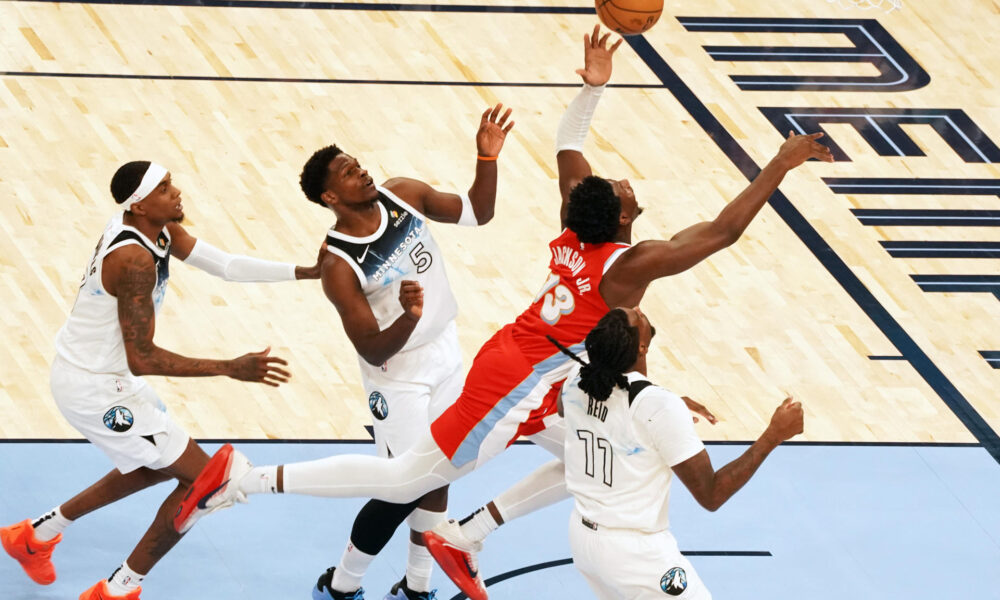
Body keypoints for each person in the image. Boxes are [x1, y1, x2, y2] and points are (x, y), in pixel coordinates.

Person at [173, 25, 832, 600]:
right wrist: (778, 162)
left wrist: (595, 86)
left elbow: (568, 141)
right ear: (624, 219)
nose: (627, 183)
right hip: (516, 379)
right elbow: (721, 233)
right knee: (407, 478)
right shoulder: (625, 267)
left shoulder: (578, 217)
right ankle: (245, 479)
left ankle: (468, 535)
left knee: (590, 461)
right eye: (626, 188)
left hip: (545, 367)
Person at [0, 161, 322, 600]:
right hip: (95, 388)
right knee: (205, 482)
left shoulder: (157, 230)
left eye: (172, 184)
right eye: (164, 188)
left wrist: (305, 271)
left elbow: (224, 265)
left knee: (155, 468)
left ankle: (35, 536)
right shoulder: (134, 259)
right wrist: (230, 367)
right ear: (139, 204)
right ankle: (117, 590)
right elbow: (143, 357)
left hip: (101, 375)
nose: (176, 193)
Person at [297, 103, 514, 600]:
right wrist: (409, 318)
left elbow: (479, 212)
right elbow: (371, 349)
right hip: (398, 376)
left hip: (446, 352)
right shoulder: (338, 265)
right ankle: (341, 585)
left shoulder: (404, 195)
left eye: (359, 163)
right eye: (350, 173)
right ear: (330, 196)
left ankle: (417, 587)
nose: (363, 171)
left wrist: (487, 160)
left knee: (441, 470)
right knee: (403, 484)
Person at [552, 307, 804, 599]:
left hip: (584, 540)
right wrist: (773, 435)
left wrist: (654, 413)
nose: (638, 309)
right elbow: (712, 495)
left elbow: (569, 407)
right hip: (635, 553)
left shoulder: (579, 378)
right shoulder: (656, 407)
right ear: (642, 347)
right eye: (636, 317)